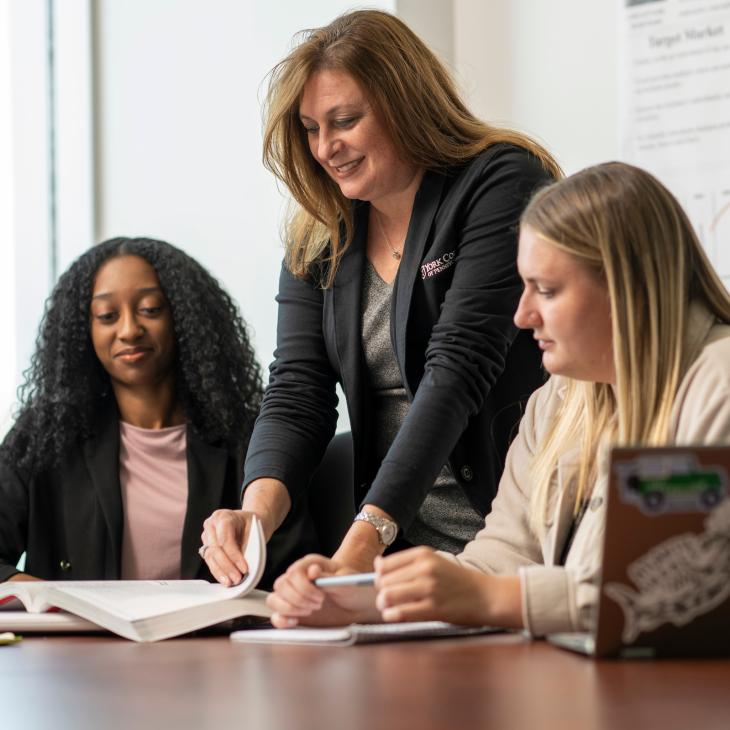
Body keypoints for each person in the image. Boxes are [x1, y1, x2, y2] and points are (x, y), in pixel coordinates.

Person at [264, 161, 730, 632]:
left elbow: (683, 594)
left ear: (630, 288)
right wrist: (354, 600)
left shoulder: (719, 385)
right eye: (523, 286)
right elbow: (501, 558)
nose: (523, 315)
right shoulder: (557, 401)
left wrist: (491, 597)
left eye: (546, 290)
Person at [201, 9, 561, 588]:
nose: (325, 148)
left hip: (511, 544)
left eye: (344, 121)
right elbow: (298, 389)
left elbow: (458, 369)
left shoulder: (501, 182)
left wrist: (361, 547)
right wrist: (256, 514)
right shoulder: (318, 231)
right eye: (311, 128)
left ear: (404, 102)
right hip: (400, 555)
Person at [0, 237, 314, 587]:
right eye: (107, 316)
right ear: (83, 330)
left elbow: (290, 572)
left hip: (211, 639)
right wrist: (54, 601)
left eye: (150, 309)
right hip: (80, 640)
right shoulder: (44, 435)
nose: (129, 330)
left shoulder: (249, 436)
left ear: (182, 316)